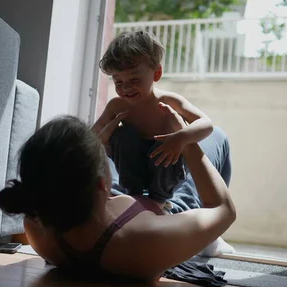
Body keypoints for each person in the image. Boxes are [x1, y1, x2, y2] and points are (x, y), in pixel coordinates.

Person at [0, 107, 236, 281]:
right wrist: (185, 137)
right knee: (216, 136)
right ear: (101, 186)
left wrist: (94, 150)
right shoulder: (147, 242)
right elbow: (223, 210)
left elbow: (59, 176)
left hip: (114, 210)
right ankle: (209, 239)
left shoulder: (40, 228)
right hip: (166, 209)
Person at [92, 30, 234, 256]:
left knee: (167, 140)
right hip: (134, 167)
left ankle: (159, 200)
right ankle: (134, 194)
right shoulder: (117, 106)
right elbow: (91, 138)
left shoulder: (167, 101)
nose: (126, 88)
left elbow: (206, 124)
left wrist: (180, 138)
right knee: (121, 135)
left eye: (135, 80)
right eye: (119, 82)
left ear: (156, 73)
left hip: (165, 159)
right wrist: (105, 137)